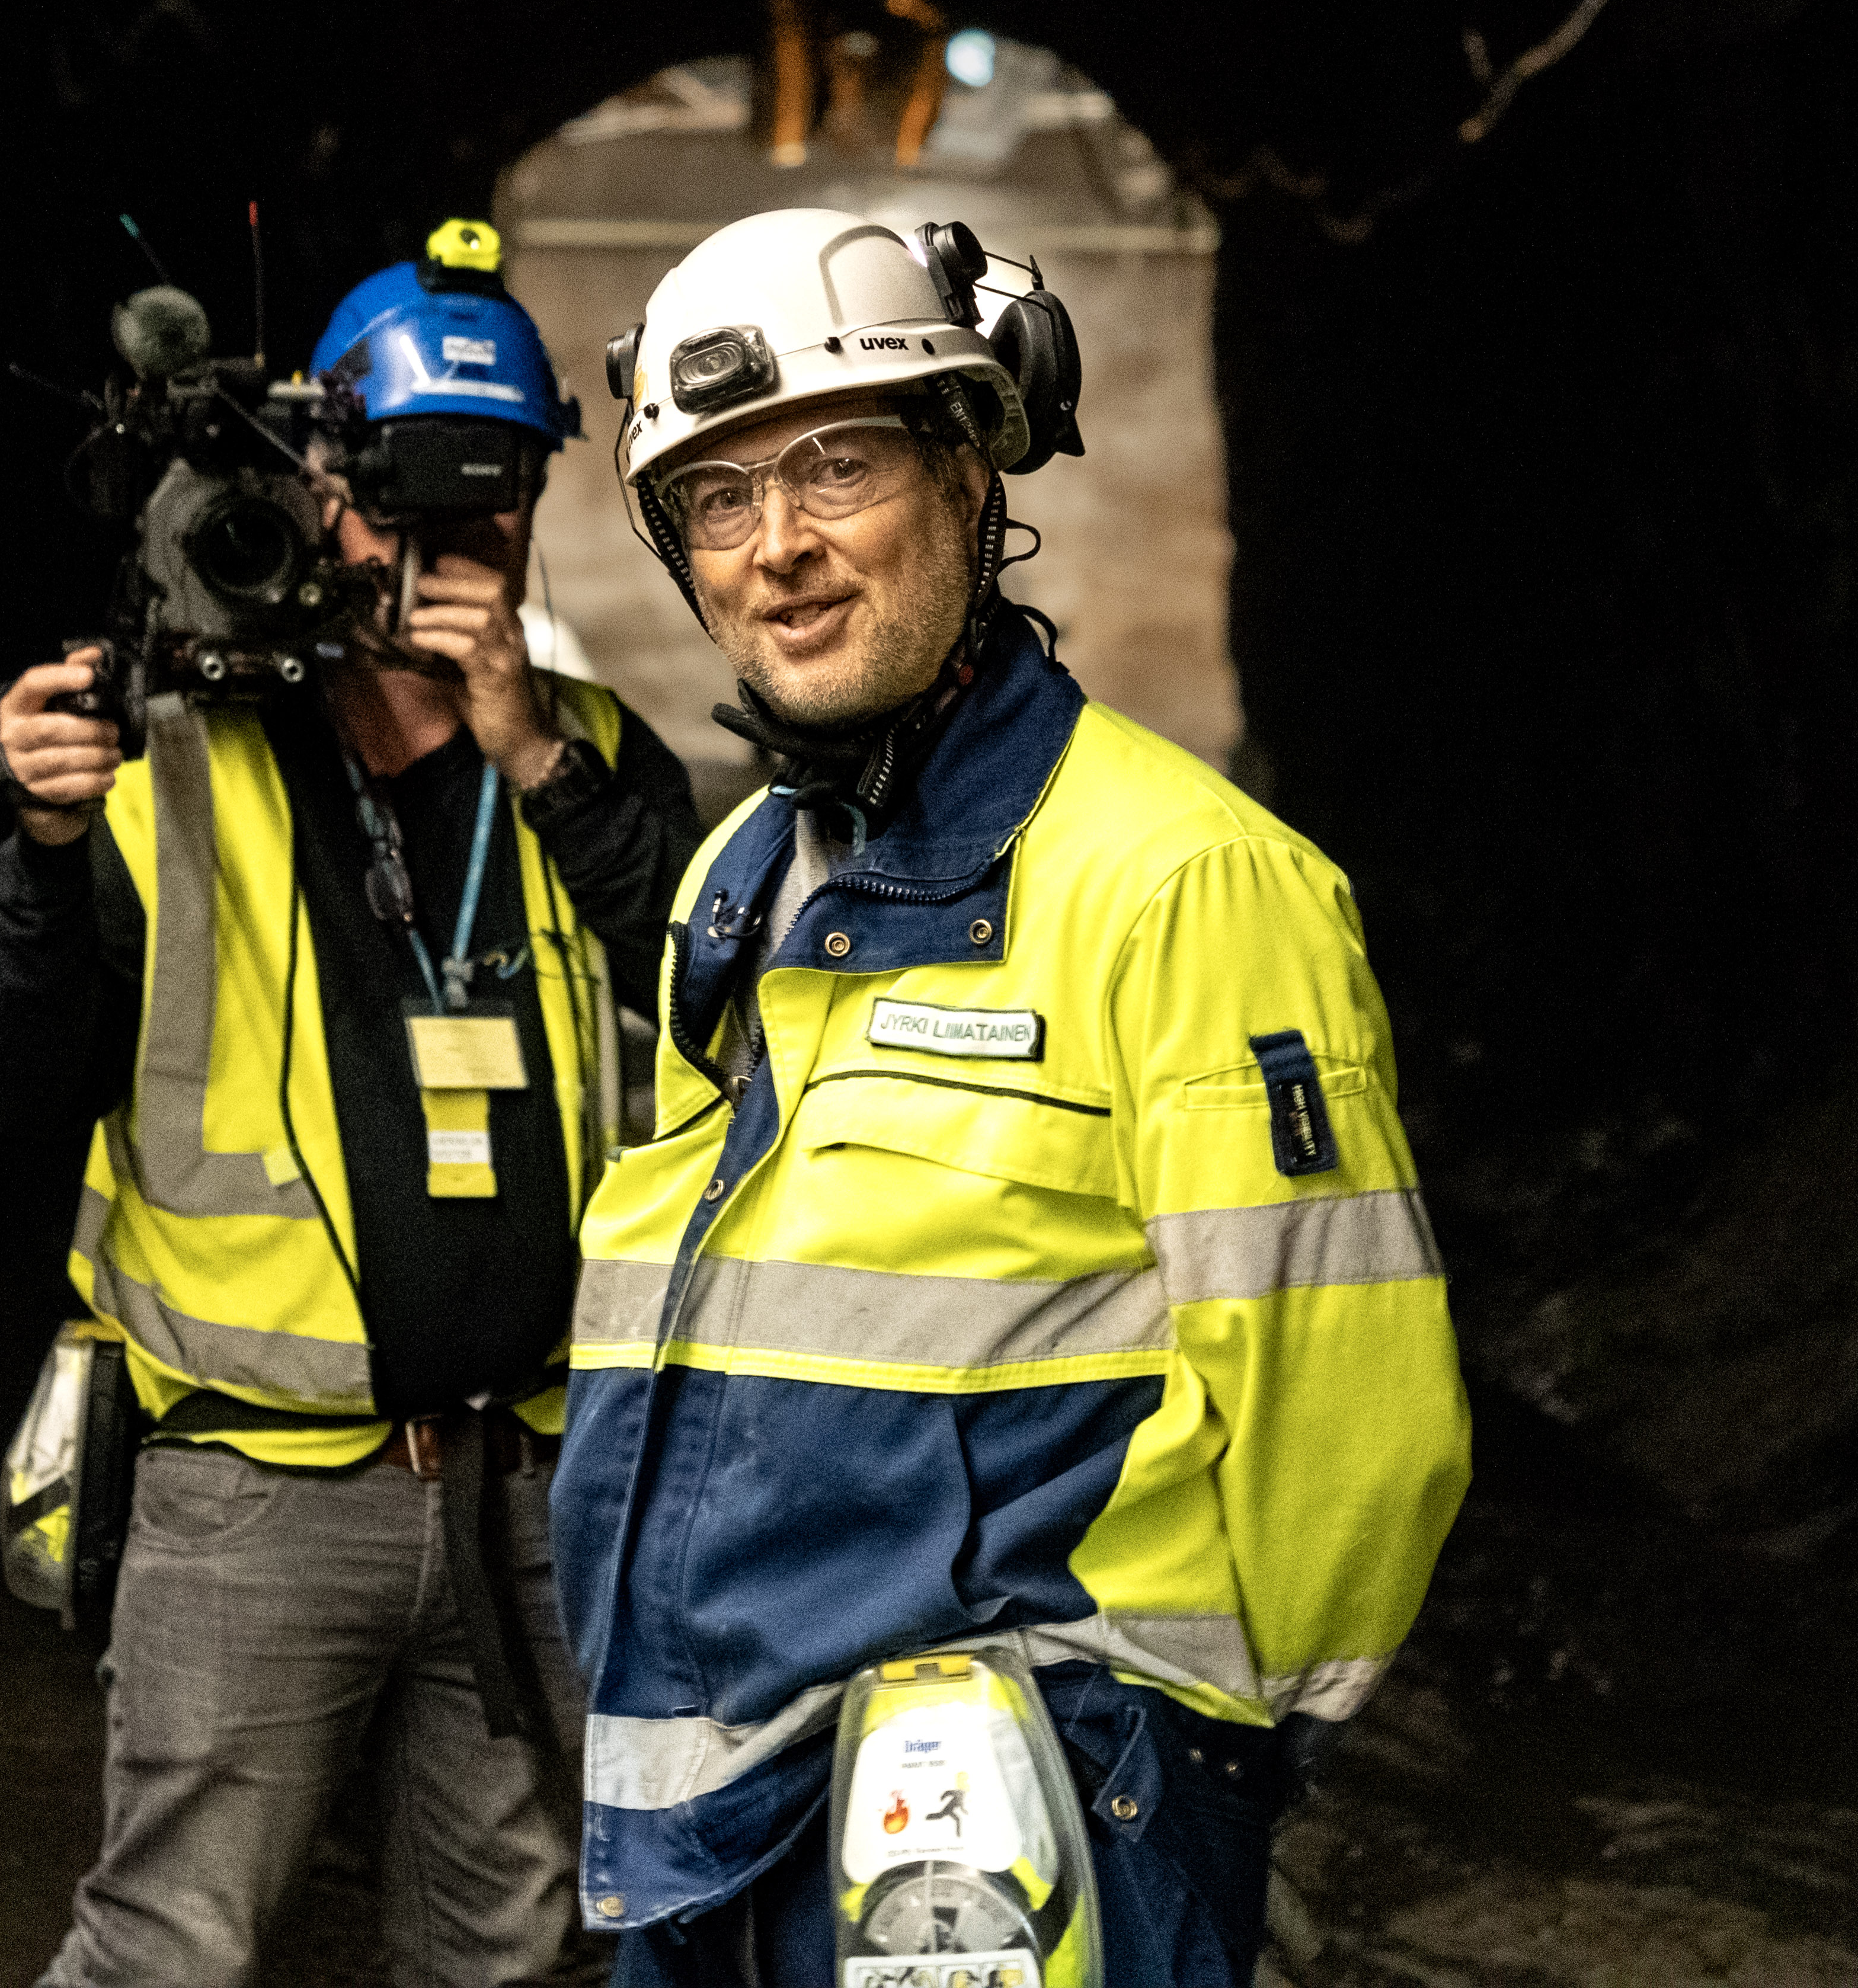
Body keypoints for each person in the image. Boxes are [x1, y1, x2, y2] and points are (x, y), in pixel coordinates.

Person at [551, 209, 1470, 1986]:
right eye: (717, 504)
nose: (780, 550)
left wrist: (1188, 1762)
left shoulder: (1184, 881)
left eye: (835, 467)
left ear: (971, 476)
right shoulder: (738, 882)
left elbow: (1353, 1428)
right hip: (715, 1809)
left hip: (1030, 1827)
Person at [0, 222, 702, 1988]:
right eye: (391, 507)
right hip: (252, 1493)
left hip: (527, 1486)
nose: (432, 556)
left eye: (485, 511)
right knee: (170, 1950)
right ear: (309, 491)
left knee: (513, 1958)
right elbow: (7, 1083)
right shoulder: (168, 759)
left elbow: (730, 1014)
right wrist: (43, 851)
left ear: (531, 514)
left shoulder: (587, 754)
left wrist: (530, 754)